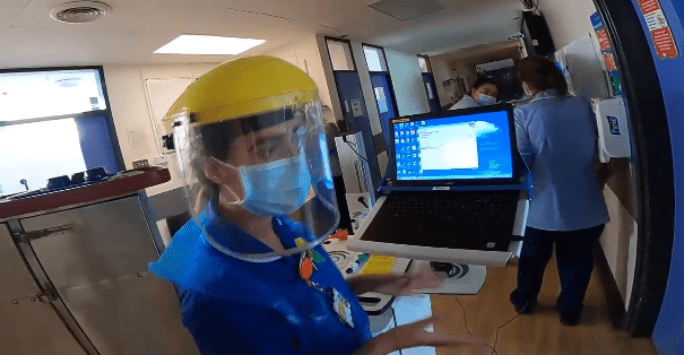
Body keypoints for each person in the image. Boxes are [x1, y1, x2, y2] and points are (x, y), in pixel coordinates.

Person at [149, 56, 481, 355]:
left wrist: (376, 283)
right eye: (267, 149)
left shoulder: (286, 228)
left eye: (295, 140)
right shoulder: (216, 297)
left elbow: (309, 297)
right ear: (215, 169)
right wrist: (388, 343)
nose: (295, 159)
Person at [509, 56, 610, 326]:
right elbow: (610, 150)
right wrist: (600, 177)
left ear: (527, 85)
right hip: (587, 201)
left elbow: (522, 160)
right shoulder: (586, 106)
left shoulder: (522, 113)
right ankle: (570, 311)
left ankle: (525, 301)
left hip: (541, 205)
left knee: (531, 260)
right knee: (577, 262)